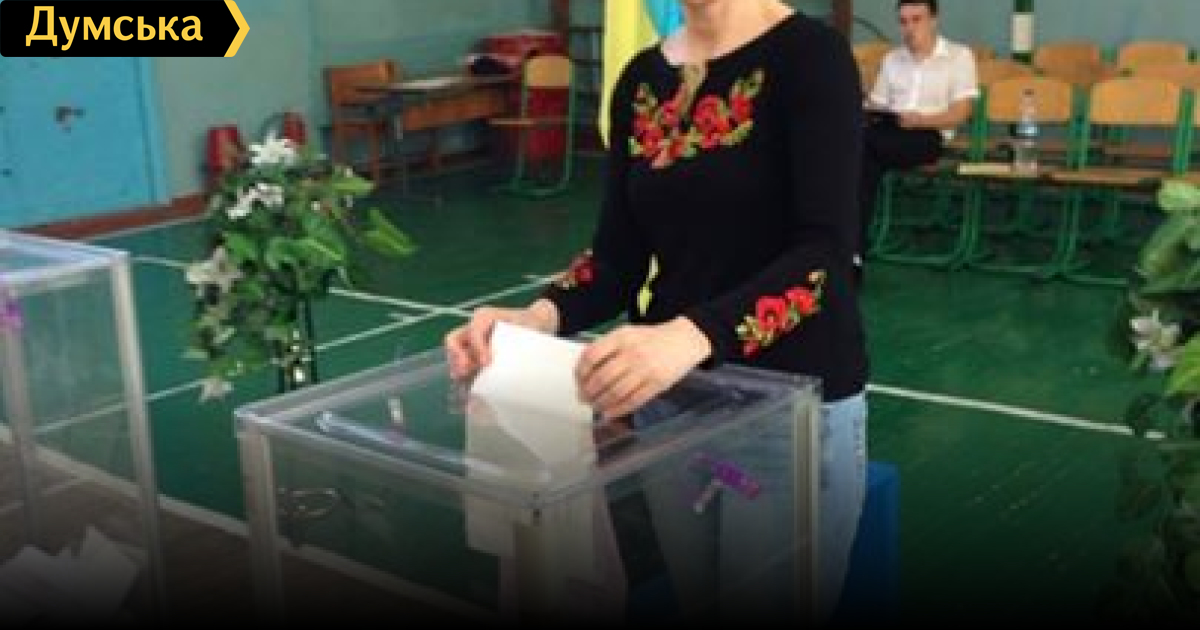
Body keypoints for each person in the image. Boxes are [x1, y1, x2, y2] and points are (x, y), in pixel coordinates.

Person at [445, 0, 867, 622]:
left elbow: (825, 256)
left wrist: (690, 335)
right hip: (673, 404)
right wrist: (538, 317)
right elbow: (617, 257)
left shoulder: (811, 56)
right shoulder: (642, 78)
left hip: (791, 407)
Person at [858, 0, 979, 283]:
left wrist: (921, 120)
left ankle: (852, 248)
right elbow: (877, 105)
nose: (909, 28)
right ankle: (854, 250)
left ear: (934, 20)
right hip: (890, 131)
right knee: (862, 157)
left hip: (930, 133)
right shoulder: (892, 59)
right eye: (903, 21)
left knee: (859, 154)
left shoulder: (959, 56)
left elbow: (960, 113)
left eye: (917, 19)